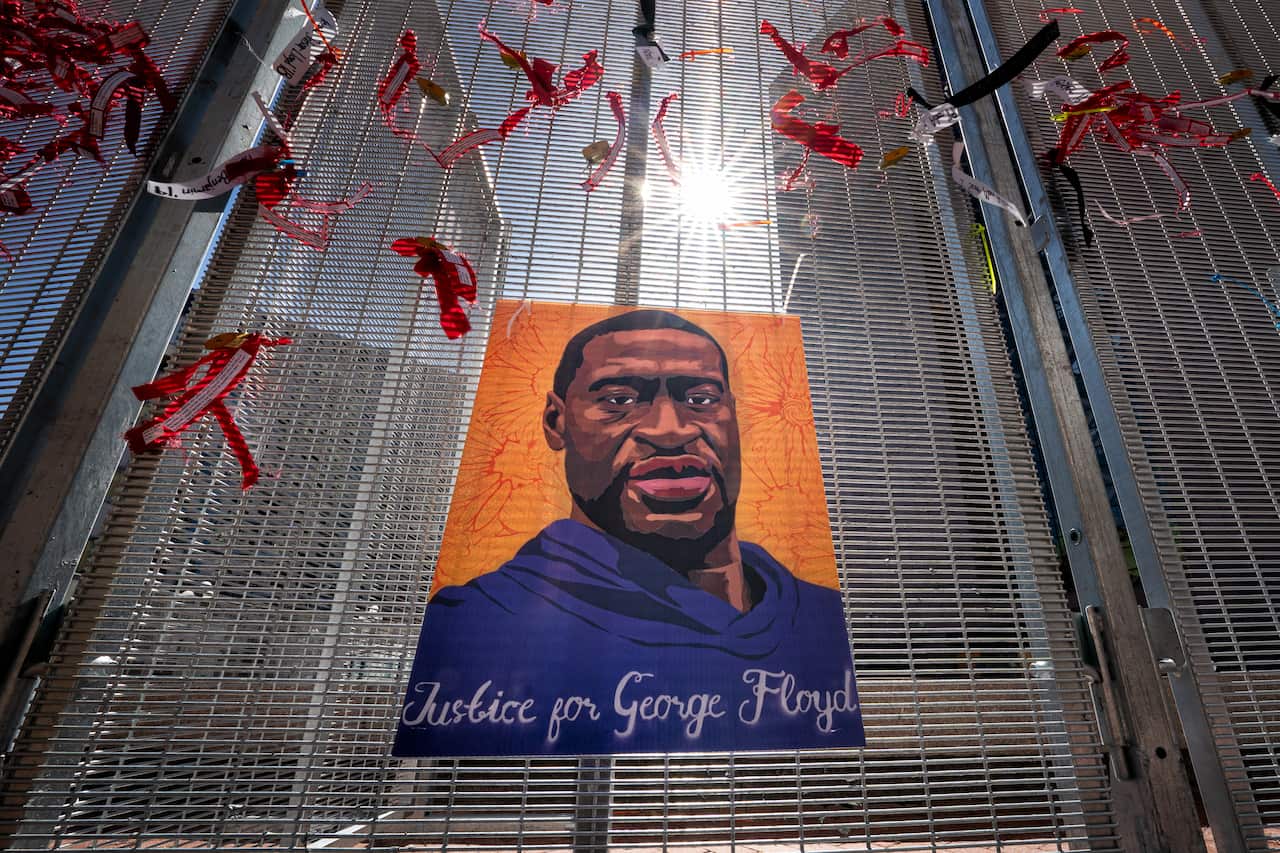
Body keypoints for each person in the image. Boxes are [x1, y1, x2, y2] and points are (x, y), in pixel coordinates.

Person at [394, 310, 862, 756]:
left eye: (701, 400)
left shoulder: (822, 616)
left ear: (733, 416)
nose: (670, 430)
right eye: (618, 400)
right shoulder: (475, 626)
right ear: (556, 421)